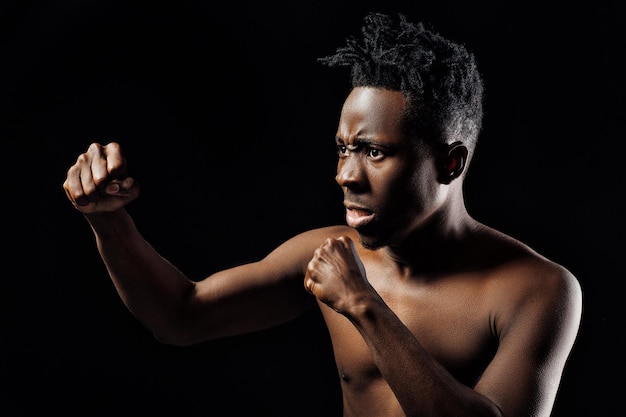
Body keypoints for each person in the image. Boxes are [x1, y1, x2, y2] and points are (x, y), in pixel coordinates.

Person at [63, 12, 582, 417]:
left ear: (450, 162)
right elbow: (180, 316)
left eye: (374, 152)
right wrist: (109, 223)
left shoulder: (537, 290)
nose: (346, 175)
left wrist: (364, 305)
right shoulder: (327, 253)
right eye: (343, 149)